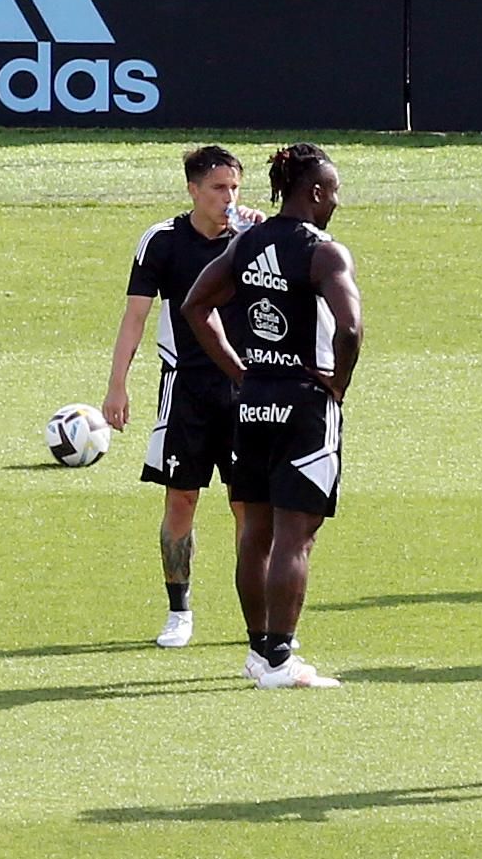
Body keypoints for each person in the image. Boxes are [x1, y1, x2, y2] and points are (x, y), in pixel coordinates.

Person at [182, 143, 362, 689]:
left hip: (253, 400)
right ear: (313, 191)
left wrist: (240, 373)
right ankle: (283, 660)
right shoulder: (324, 252)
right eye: (331, 191)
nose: (335, 201)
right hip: (305, 405)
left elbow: (195, 306)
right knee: (295, 537)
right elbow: (350, 328)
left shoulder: (247, 243)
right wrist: (339, 383)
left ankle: (260, 652)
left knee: (254, 532)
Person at [103, 145, 265, 648]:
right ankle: (179, 612)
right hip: (186, 392)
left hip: (244, 389)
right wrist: (117, 384)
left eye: (235, 187)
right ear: (193, 190)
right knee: (181, 500)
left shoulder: (253, 238)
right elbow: (135, 316)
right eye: (218, 188)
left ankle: (257, 621)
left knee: (249, 507)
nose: (228, 197)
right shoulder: (162, 242)